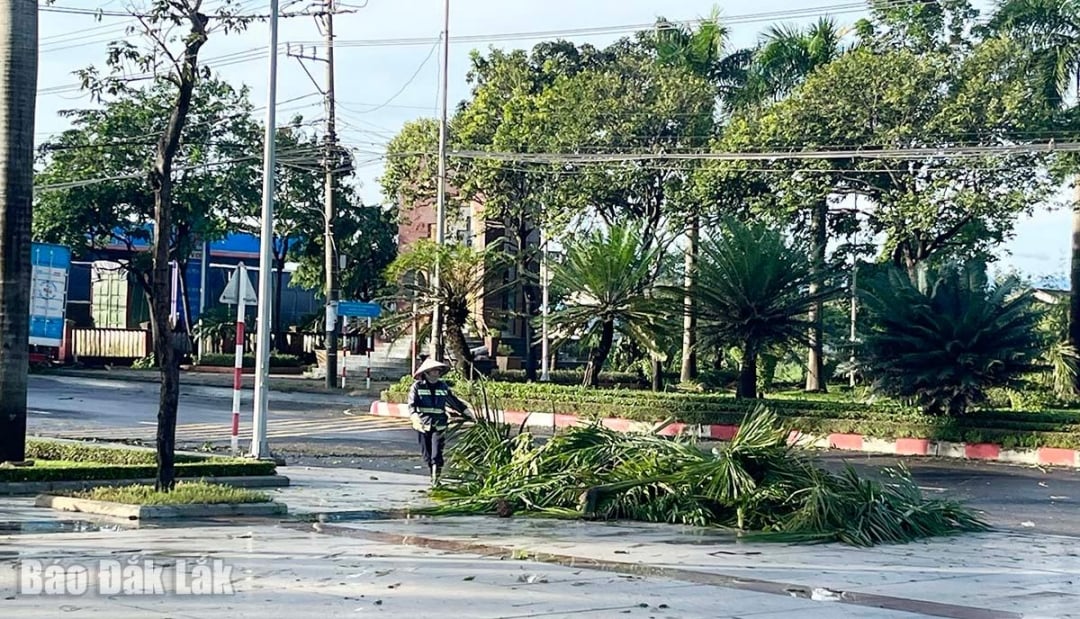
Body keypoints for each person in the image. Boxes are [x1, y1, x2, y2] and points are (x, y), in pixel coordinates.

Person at [407, 357, 471, 484]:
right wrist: (415, 418)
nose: (436, 373)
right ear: (426, 373)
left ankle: (436, 479)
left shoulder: (443, 386)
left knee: (437, 454)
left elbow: (454, 402)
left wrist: (468, 413)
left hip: (439, 425)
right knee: (427, 455)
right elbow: (411, 406)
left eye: (438, 371)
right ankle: (433, 473)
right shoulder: (417, 387)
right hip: (423, 425)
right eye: (434, 371)